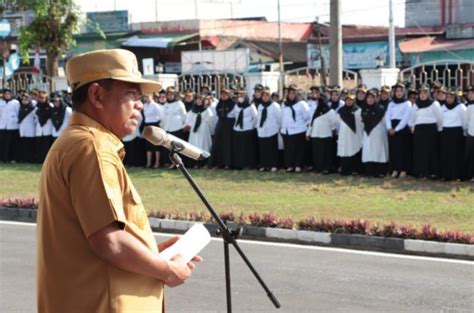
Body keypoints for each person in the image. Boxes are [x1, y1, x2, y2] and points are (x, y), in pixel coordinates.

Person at [37, 49, 202, 313]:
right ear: (98, 95)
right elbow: (109, 242)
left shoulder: (78, 142)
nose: (140, 104)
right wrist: (166, 269)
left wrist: (152, 254)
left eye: (141, 97)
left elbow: (92, 240)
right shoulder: (92, 147)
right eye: (132, 94)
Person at [410, 83, 443, 179]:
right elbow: (412, 118)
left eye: (425, 92)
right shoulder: (416, 105)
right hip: (419, 131)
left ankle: (432, 172)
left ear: (428, 93)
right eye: (421, 93)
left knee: (432, 151)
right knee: (420, 152)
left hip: (431, 130)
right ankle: (421, 172)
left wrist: (439, 130)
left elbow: (440, 118)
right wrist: (413, 127)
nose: (422, 95)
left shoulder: (434, 104)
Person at [280, 84, 310, 173]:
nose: (291, 95)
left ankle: (298, 166)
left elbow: (307, 117)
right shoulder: (284, 104)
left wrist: (301, 126)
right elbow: (282, 117)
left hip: (299, 130)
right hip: (287, 131)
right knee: (289, 150)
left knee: (299, 150)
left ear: (297, 94)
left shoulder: (302, 104)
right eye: (290, 93)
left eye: (293, 93)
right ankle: (289, 165)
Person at [385, 81, 412, 178]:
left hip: (402, 129)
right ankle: (395, 169)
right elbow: (387, 116)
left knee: (403, 150)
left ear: (404, 92)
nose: (399, 93)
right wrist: (389, 128)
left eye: (401, 91)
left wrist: (396, 129)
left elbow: (406, 118)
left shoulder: (407, 103)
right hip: (392, 128)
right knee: (394, 150)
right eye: (397, 91)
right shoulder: (391, 103)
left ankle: (403, 170)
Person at [306, 94, 338, 174]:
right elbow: (312, 122)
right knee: (317, 153)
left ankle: (327, 168)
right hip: (316, 135)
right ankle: (318, 168)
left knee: (327, 153)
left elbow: (333, 123)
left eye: (318, 100)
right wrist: (308, 133)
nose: (316, 102)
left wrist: (332, 130)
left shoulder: (330, 111)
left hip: (326, 135)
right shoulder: (316, 110)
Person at [439, 88, 466, 181]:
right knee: (446, 154)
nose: (449, 99)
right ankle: (446, 175)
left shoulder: (461, 107)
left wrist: (464, 131)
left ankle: (457, 175)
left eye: (451, 97)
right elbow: (440, 120)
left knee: (457, 155)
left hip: (457, 132)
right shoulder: (443, 107)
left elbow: (464, 120)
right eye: (447, 97)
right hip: (446, 132)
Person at [361, 89, 388, 177]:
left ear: (376, 98)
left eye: (372, 97)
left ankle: (380, 172)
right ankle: (369, 172)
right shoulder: (363, 108)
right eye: (368, 97)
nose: (370, 99)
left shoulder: (380, 109)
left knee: (378, 151)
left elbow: (385, 122)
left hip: (378, 133)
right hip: (367, 133)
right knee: (368, 152)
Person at [337, 91, 363, 175]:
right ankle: (345, 170)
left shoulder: (358, 110)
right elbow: (337, 123)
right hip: (343, 134)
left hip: (354, 135)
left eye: (351, 100)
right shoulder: (341, 110)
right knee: (345, 151)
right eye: (347, 100)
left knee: (354, 150)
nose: (349, 101)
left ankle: (355, 169)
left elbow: (361, 124)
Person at [231, 88, 258, 169]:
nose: (240, 97)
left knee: (247, 149)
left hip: (248, 130)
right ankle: (239, 164)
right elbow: (234, 115)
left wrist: (251, 126)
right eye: (239, 95)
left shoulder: (250, 106)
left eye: (242, 95)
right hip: (238, 129)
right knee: (238, 148)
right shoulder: (236, 106)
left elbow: (255, 117)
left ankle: (248, 164)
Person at [185, 94, 215, 168]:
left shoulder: (207, 110)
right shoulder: (193, 110)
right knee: (195, 145)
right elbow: (190, 120)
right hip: (195, 131)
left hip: (203, 130)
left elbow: (211, 122)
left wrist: (210, 131)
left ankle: (204, 163)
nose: (198, 101)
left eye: (200, 99)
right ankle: (195, 163)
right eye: (197, 99)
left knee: (203, 145)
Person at [161, 86, 187, 167]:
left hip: (177, 128)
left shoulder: (179, 103)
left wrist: (183, 126)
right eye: (168, 94)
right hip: (168, 128)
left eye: (171, 94)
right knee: (169, 148)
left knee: (177, 147)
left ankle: (178, 163)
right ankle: (170, 163)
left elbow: (184, 116)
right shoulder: (165, 105)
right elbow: (163, 117)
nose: (170, 96)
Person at [209, 88, 235, 169]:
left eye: (225, 94)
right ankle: (218, 163)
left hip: (228, 126)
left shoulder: (232, 103)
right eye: (222, 94)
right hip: (220, 124)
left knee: (227, 145)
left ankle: (227, 163)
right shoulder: (219, 104)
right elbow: (218, 114)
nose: (223, 96)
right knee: (218, 143)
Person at [257, 87, 281, 172]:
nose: (265, 97)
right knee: (263, 149)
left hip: (272, 130)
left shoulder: (275, 106)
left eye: (267, 96)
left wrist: (278, 127)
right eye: (263, 96)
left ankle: (273, 165)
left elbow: (279, 118)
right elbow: (258, 118)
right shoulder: (260, 106)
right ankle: (264, 165)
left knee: (272, 149)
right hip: (262, 131)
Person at [142, 92, 163, 168]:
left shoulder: (155, 106)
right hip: (147, 125)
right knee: (148, 145)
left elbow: (161, 117)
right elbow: (145, 118)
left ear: (152, 97)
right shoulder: (144, 106)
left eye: (147, 96)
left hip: (155, 125)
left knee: (155, 145)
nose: (146, 98)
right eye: (145, 97)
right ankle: (148, 163)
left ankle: (157, 163)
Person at [1, 88, 20, 162]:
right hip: (2, 126)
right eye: (6, 94)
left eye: (9, 94)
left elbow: (17, 112)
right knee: (3, 143)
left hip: (12, 126)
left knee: (12, 143)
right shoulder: (1, 102)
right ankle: (3, 158)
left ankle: (12, 158)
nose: (7, 95)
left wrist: (15, 119)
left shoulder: (15, 102)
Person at [35, 91, 54, 163]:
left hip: (47, 128)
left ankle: (47, 160)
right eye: (40, 98)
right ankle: (39, 159)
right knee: (39, 145)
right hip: (39, 128)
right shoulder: (37, 106)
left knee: (47, 145)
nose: (41, 99)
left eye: (43, 98)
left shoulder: (50, 106)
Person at [18, 91, 37, 163]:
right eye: (23, 99)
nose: (24, 101)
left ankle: (31, 159)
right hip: (22, 130)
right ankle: (24, 159)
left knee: (30, 146)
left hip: (31, 130)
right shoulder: (20, 107)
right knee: (23, 146)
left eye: (26, 99)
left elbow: (36, 119)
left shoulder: (33, 108)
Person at [464, 86, 474, 182]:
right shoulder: (468, 106)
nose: (470, 95)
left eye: (472, 93)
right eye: (469, 93)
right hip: (471, 134)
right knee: (470, 156)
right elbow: (465, 121)